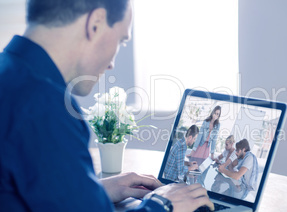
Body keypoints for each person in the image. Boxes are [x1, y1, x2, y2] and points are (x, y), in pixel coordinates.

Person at [0, 0, 214, 211]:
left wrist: (90, 190)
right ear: (95, 23)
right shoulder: (44, 105)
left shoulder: (8, 74)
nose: (112, 64)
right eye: (121, 41)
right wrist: (163, 204)